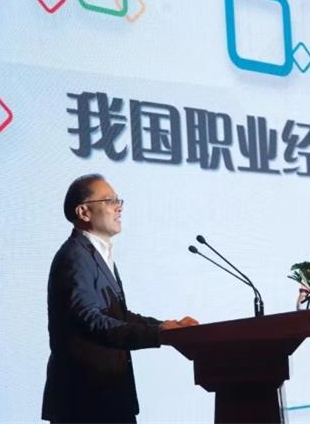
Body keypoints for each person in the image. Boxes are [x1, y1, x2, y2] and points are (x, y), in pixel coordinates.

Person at [42, 174, 198, 424]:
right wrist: (158, 333)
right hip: (85, 403)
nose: (119, 207)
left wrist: (168, 327)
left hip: (108, 398)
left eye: (119, 200)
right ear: (83, 212)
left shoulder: (96, 254)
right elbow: (90, 321)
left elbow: (118, 315)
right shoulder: (74, 257)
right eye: (109, 200)